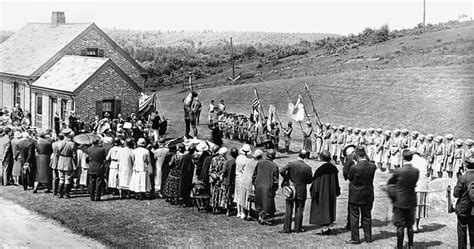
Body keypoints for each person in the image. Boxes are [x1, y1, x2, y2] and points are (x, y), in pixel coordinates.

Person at [387, 149, 420, 249]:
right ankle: (410, 245)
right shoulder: (416, 171)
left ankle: (400, 246)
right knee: (410, 224)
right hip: (411, 200)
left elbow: (390, 183)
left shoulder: (399, 171)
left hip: (400, 201)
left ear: (403, 158)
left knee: (400, 226)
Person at [346, 146, 376, 244]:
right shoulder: (372, 166)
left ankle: (355, 238)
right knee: (367, 216)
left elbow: (349, 178)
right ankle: (368, 238)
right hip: (368, 194)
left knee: (354, 217)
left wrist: (355, 164)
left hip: (356, 194)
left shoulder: (355, 167)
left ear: (357, 155)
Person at [279, 149, 313, 233]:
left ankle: (286, 228)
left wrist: (287, 178)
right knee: (299, 209)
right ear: (305, 156)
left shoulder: (291, 163)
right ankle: (298, 228)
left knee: (289, 208)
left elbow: (281, 170)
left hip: (291, 189)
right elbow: (309, 180)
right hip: (301, 190)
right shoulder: (308, 168)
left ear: (298, 154)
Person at [310, 150, 341, 234]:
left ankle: (325, 229)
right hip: (331, 192)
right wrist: (337, 191)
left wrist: (313, 192)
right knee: (329, 207)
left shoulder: (320, 170)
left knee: (323, 209)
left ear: (321, 158)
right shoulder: (333, 168)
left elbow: (315, 183)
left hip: (322, 192)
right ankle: (327, 227)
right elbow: (336, 182)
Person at [252, 149, 279, 225]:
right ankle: (263, 218)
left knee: (259, 201)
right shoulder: (274, 166)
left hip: (258, 184)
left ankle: (260, 217)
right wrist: (275, 188)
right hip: (267, 187)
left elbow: (254, 174)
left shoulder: (260, 163)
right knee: (266, 203)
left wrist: (254, 183)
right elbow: (275, 180)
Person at [453, 156, 474, 249]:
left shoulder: (463, 178)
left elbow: (456, 194)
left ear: (466, 165)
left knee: (462, 231)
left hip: (463, 208)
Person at [57, 129, 76, 198]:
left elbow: (58, 151)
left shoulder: (60, 143)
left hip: (61, 160)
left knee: (61, 178)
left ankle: (59, 193)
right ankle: (66, 194)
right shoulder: (72, 144)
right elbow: (74, 154)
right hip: (68, 160)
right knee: (67, 178)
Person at [209, 147, 228, 214]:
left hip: (212, 177)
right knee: (218, 193)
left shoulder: (213, 158)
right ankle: (216, 207)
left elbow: (210, 169)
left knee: (213, 192)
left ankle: (213, 206)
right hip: (219, 178)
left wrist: (212, 175)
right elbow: (223, 171)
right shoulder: (224, 160)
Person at [235, 144, 251, 219]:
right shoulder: (247, 160)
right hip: (243, 178)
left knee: (238, 193)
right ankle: (243, 212)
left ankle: (238, 211)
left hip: (237, 177)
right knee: (243, 195)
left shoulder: (238, 158)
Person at [223, 147, 238, 216]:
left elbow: (224, 172)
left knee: (228, 196)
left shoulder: (228, 162)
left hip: (228, 181)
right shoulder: (237, 162)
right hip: (235, 181)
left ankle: (228, 210)